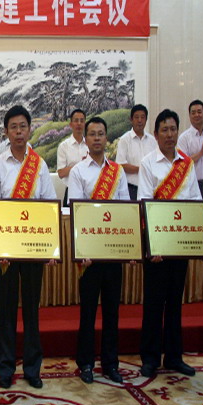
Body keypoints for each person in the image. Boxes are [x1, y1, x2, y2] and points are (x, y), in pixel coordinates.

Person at [0, 106, 56, 390]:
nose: (18, 132)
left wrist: (50, 249)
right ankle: (5, 367)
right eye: (13, 127)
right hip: (6, 252)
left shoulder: (40, 165)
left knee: (31, 310)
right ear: (6, 132)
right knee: (5, 311)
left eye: (22, 126)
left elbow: (49, 206)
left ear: (29, 129)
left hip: (33, 249)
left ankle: (32, 367)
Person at [136, 109, 201, 378]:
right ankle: (150, 358)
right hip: (157, 246)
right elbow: (144, 202)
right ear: (156, 134)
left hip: (180, 242)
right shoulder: (148, 163)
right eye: (165, 129)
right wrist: (154, 245)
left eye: (173, 129)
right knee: (154, 303)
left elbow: (195, 201)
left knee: (175, 302)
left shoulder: (187, 164)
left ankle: (174, 357)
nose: (170, 134)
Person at [68, 116, 130, 384]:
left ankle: (110, 363)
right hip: (90, 255)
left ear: (107, 138)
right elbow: (77, 211)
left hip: (113, 251)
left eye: (100, 134)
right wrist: (83, 250)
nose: (96, 138)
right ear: (86, 139)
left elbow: (125, 208)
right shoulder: (78, 172)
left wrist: (128, 248)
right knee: (88, 311)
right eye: (92, 134)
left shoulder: (118, 171)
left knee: (112, 311)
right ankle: (85, 363)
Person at [116, 104, 157, 200]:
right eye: (136, 117)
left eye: (142, 117)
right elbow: (121, 165)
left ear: (146, 120)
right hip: (131, 188)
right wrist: (142, 169)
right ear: (131, 119)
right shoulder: (124, 140)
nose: (139, 120)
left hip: (149, 188)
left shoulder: (152, 140)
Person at [56, 109, 88, 205]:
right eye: (76, 120)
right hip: (71, 190)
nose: (79, 123)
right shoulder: (63, 146)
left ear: (85, 124)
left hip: (89, 191)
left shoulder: (90, 145)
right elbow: (61, 173)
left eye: (82, 121)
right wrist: (82, 164)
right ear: (71, 124)